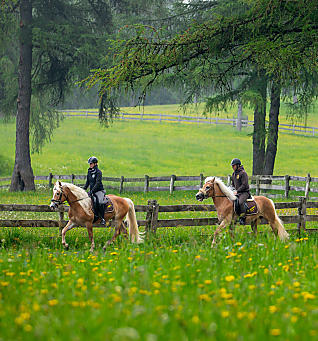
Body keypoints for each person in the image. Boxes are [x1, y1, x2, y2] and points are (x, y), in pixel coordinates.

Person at [84, 156, 106, 225]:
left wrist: (92, 191)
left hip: (99, 190)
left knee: (99, 201)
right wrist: (83, 189)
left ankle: (102, 218)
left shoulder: (99, 172)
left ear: (95, 164)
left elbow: (98, 183)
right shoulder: (89, 171)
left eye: (91, 164)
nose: (90, 165)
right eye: (89, 164)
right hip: (92, 191)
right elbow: (87, 182)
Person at [230, 158, 251, 225]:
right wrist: (232, 190)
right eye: (232, 166)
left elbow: (244, 185)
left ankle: (243, 218)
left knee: (240, 202)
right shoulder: (233, 174)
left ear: (238, 165)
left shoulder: (243, 173)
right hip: (237, 193)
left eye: (234, 166)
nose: (232, 167)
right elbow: (233, 184)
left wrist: (237, 191)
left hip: (244, 192)